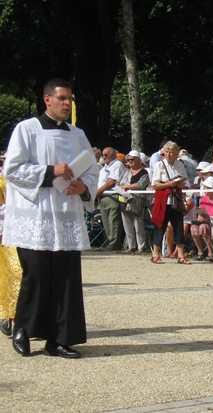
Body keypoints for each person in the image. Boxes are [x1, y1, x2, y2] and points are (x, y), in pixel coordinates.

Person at [3, 78, 99, 358]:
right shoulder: (27, 129)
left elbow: (92, 171)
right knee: (38, 277)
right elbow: (13, 169)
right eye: (62, 98)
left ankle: (58, 339)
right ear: (47, 99)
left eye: (70, 98)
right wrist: (51, 171)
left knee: (66, 280)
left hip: (66, 216)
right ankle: (22, 328)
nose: (67, 104)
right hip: (36, 218)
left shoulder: (77, 134)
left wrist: (84, 188)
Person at [150, 141, 191, 265]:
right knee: (160, 224)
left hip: (176, 198)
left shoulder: (179, 164)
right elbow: (155, 185)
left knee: (179, 225)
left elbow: (184, 180)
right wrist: (169, 184)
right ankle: (156, 254)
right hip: (163, 198)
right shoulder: (159, 165)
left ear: (176, 153)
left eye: (171, 152)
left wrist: (178, 183)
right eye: (167, 151)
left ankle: (180, 255)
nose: (168, 154)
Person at [0, 174, 22, 337]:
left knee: (17, 273)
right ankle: (6, 314)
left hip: (15, 231)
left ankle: (16, 318)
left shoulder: (7, 178)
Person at [119, 150, 149, 253]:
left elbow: (141, 185)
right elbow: (119, 183)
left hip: (137, 201)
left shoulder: (144, 172)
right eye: (128, 159)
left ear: (138, 160)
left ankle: (141, 246)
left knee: (138, 224)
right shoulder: (126, 171)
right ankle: (131, 246)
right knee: (127, 225)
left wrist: (127, 187)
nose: (130, 161)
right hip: (124, 200)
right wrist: (122, 188)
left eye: (132, 159)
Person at [96, 147, 125, 251]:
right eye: (102, 155)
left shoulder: (117, 165)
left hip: (112, 196)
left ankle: (115, 244)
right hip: (103, 197)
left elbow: (112, 182)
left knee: (114, 221)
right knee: (106, 222)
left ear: (113, 155)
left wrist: (98, 191)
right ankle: (110, 242)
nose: (103, 157)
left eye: (106, 155)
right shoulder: (104, 167)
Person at [193, 176, 213, 261]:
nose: (203, 189)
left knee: (203, 228)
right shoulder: (204, 198)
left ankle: (212, 252)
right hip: (206, 221)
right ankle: (201, 252)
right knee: (194, 228)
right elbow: (201, 212)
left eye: (206, 187)